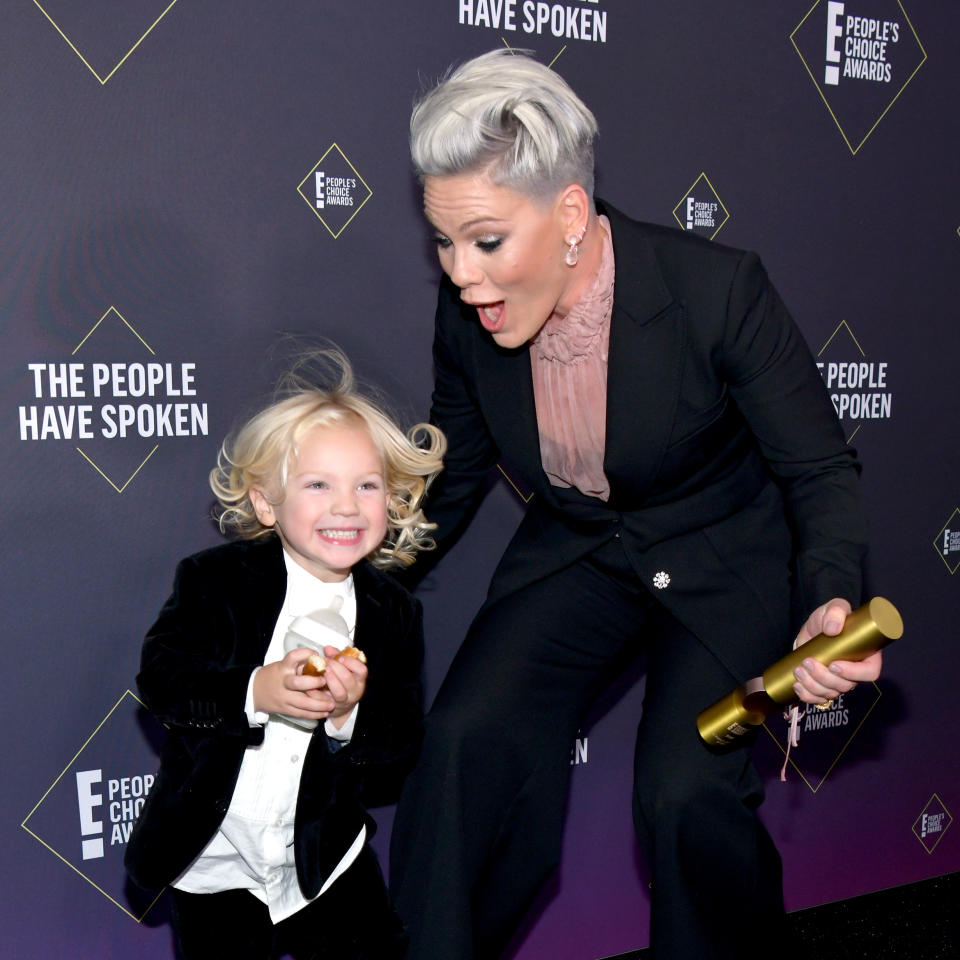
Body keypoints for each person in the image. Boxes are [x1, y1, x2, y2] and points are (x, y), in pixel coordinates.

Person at [387, 49, 882, 959]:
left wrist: (828, 600)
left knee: (683, 791)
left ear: (570, 215)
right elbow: (453, 473)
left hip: (720, 550)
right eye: (444, 242)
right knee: (462, 742)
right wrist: (349, 581)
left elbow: (818, 468)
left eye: (487, 240)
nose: (461, 274)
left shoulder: (716, 291)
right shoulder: (472, 314)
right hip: (581, 547)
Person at [125, 351, 445, 960]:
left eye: (367, 485)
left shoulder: (393, 612)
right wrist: (254, 692)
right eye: (318, 484)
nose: (346, 505)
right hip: (217, 857)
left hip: (325, 856)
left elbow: (401, 739)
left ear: (394, 500)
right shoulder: (216, 581)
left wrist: (349, 715)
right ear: (267, 502)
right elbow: (163, 680)